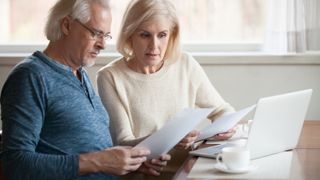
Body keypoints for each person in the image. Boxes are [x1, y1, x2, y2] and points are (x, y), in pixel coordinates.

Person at [0, 0, 171, 179]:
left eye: (106, 36)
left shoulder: (80, 73)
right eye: (96, 33)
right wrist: (99, 161)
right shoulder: (30, 77)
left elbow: (91, 151)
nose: (103, 44)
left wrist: (131, 162)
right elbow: (15, 164)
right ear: (67, 25)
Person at [97, 0, 236, 179]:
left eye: (162, 35)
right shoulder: (110, 76)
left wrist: (225, 127)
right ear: (129, 34)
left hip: (189, 173)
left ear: (172, 35)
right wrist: (171, 137)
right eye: (145, 35)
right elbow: (123, 143)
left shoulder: (185, 64)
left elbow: (223, 110)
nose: (154, 46)